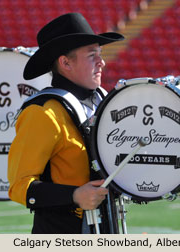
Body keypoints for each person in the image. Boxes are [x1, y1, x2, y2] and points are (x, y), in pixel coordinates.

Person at [8, 12, 124, 233]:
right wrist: (74, 195)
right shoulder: (42, 112)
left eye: (100, 54)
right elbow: (19, 186)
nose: (102, 62)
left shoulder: (102, 99)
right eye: (92, 55)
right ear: (65, 63)